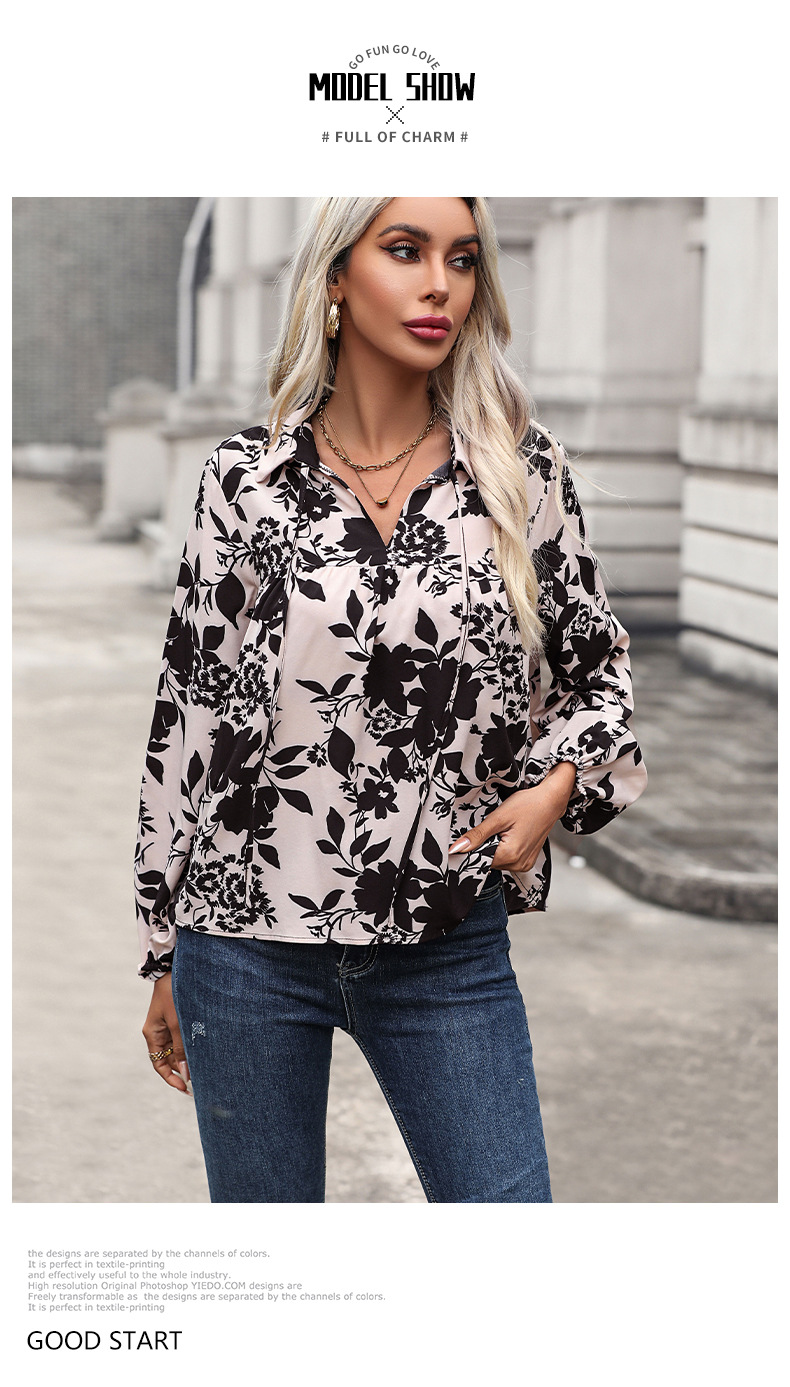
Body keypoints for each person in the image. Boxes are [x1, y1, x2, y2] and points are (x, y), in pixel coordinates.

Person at [136, 197, 647, 1203]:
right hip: (242, 940)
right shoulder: (244, 478)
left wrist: (555, 786)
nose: (438, 285)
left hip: (445, 937)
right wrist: (162, 951)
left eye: (462, 259)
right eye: (404, 251)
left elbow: (600, 674)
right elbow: (186, 718)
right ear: (336, 277)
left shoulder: (520, 470)